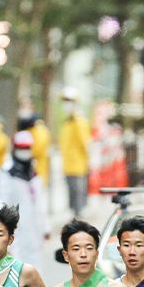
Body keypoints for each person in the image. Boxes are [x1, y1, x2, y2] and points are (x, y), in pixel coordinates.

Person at [0, 131, 49, 270]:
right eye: (21, 148)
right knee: (17, 268)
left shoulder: (34, 173)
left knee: (36, 268)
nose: (24, 151)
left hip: (34, 230)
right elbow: (3, 202)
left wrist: (45, 226)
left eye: (27, 148)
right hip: (17, 229)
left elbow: (39, 202)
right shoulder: (8, 173)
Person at [59, 88, 91, 217]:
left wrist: (88, 161)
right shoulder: (67, 122)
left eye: (69, 101)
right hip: (68, 164)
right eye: (65, 101)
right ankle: (75, 216)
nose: (66, 104)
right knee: (71, 193)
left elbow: (85, 144)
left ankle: (79, 218)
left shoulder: (79, 122)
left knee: (78, 193)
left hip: (78, 165)